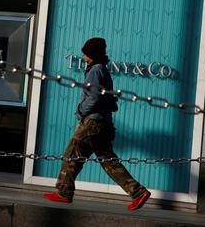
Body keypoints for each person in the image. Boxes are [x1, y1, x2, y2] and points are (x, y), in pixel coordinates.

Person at [42, 37, 151, 211]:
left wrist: (80, 111)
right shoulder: (102, 69)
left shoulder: (95, 70)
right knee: (109, 161)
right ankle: (137, 192)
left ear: (90, 53)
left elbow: (92, 98)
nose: (83, 54)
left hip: (92, 122)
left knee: (72, 153)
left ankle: (64, 192)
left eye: (85, 51)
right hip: (103, 123)